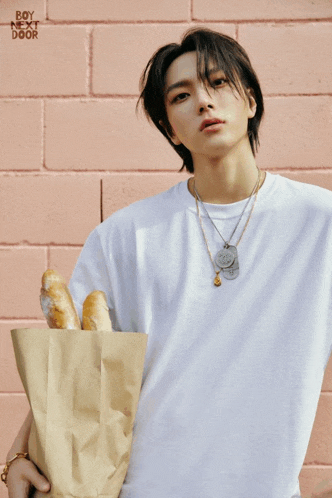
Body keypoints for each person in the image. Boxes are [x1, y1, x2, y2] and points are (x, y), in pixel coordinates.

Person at [4, 27, 332, 498]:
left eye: (218, 83)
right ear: (170, 127)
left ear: (252, 101)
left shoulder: (320, 223)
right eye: (182, 95)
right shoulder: (123, 237)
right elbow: (72, 367)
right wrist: (19, 454)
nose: (203, 101)